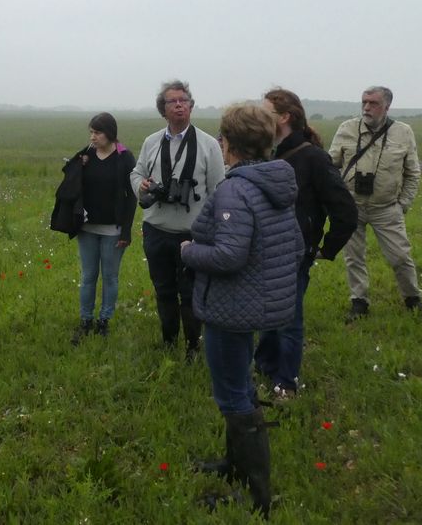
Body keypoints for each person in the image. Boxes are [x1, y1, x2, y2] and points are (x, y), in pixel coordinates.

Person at [180, 104, 302, 516]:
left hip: (231, 306)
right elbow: (293, 246)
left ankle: (257, 496)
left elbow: (230, 255)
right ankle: (236, 465)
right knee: (241, 385)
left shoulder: (236, 189)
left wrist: (189, 251)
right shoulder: (276, 181)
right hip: (258, 301)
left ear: (227, 142)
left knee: (231, 393)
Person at [254, 89, 357, 399]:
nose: (260, 118)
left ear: (284, 117)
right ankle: (264, 365)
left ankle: (286, 382)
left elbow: (345, 210)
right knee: (267, 311)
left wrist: (326, 247)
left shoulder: (312, 156)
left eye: (265, 112)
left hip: (296, 251)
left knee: (288, 317)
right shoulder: (268, 153)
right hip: (267, 249)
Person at [130, 80, 225, 359]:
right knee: (163, 289)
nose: (179, 105)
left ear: (192, 106)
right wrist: (142, 186)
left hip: (192, 232)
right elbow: (135, 173)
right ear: (163, 109)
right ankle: (169, 340)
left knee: (191, 291)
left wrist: (211, 231)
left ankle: (192, 346)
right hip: (156, 229)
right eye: (172, 101)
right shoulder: (152, 142)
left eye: (184, 100)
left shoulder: (209, 145)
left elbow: (218, 190)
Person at [328, 86, 422, 319]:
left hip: (387, 208)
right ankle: (359, 302)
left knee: (400, 256)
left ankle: (412, 298)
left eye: (373, 103)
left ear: (387, 106)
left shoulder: (403, 132)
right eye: (364, 102)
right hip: (353, 206)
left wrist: (403, 205)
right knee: (353, 257)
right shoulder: (347, 129)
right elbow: (330, 166)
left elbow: (413, 173)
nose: (367, 108)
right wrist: (337, 200)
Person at [51, 113, 137, 343]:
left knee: (110, 277)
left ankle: (104, 321)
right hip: (87, 228)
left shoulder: (124, 157)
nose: (93, 136)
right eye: (91, 132)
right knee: (88, 276)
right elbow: (69, 174)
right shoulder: (86, 154)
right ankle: (86, 320)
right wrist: (80, 162)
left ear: (110, 133)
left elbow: (132, 198)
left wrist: (127, 231)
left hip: (113, 229)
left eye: (97, 132)